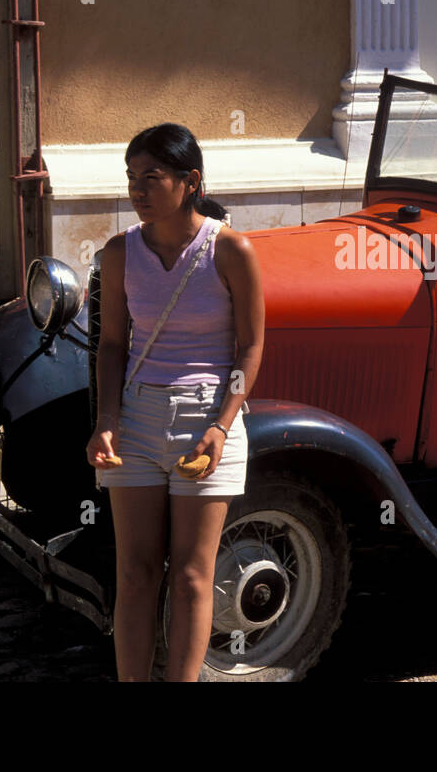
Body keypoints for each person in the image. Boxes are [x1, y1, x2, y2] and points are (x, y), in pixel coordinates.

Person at [86, 122, 264, 682]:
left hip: (207, 420)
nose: (137, 190)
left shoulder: (231, 250)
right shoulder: (119, 253)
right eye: (131, 178)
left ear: (190, 182)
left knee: (191, 575)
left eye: (151, 178)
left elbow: (251, 347)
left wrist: (222, 424)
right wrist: (105, 421)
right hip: (135, 419)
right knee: (135, 573)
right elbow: (112, 343)